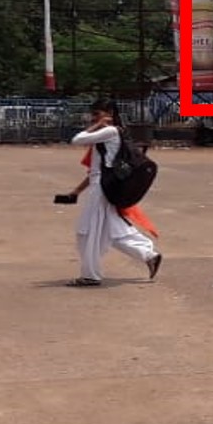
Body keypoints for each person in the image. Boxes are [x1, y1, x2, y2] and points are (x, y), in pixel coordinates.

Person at [62, 100, 162, 287]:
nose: (93, 118)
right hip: (101, 187)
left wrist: (97, 125)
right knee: (113, 231)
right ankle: (149, 255)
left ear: (109, 113)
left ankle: (90, 275)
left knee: (88, 232)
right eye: (93, 115)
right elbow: (94, 170)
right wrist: (77, 191)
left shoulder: (110, 131)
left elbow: (77, 140)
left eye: (97, 114)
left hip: (102, 189)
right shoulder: (108, 135)